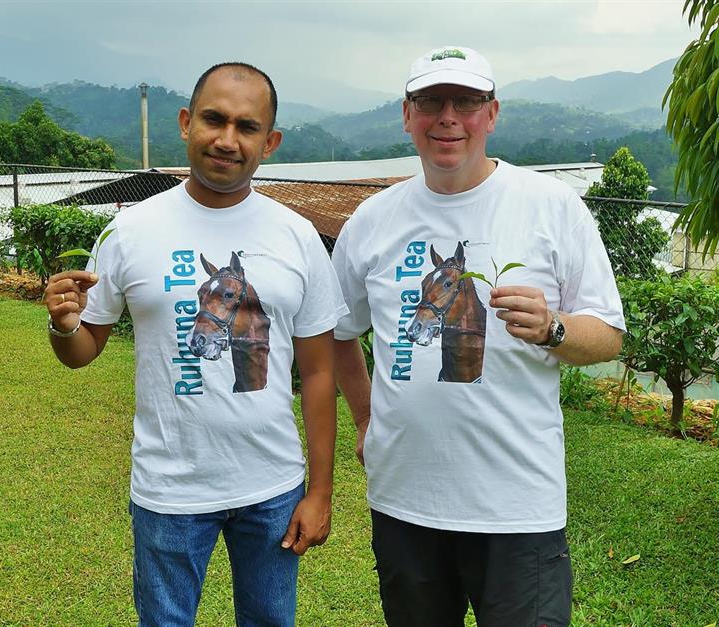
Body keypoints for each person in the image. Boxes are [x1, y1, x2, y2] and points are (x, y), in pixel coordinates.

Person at [44, 62, 347, 626]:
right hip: (170, 488)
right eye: (214, 119)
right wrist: (64, 325)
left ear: (270, 142)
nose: (227, 140)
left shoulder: (297, 235)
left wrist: (320, 492)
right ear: (186, 122)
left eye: (247, 127)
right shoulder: (130, 229)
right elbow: (83, 349)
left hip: (273, 486)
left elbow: (319, 372)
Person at [332, 46, 625, 626]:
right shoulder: (372, 219)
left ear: (491, 114)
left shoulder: (552, 207)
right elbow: (339, 331)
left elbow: (609, 334)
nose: (448, 117)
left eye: (465, 102)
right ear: (407, 114)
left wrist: (553, 328)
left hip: (518, 509)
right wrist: (365, 420)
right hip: (404, 503)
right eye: (430, 102)